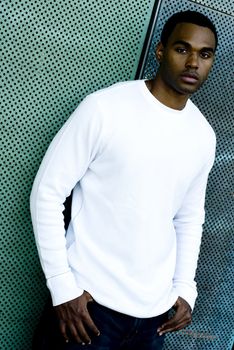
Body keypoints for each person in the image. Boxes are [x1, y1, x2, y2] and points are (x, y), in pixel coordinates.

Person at [30, 10, 218, 350]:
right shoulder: (106, 108)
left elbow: (189, 218)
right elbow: (47, 193)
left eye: (204, 54)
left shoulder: (203, 135)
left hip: (154, 321)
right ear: (161, 52)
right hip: (87, 309)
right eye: (182, 49)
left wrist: (184, 289)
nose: (193, 62)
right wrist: (62, 287)